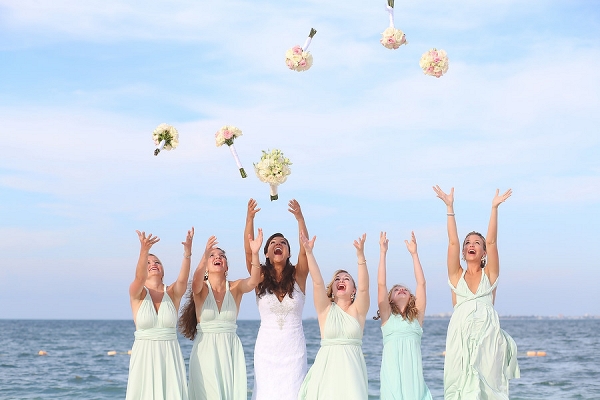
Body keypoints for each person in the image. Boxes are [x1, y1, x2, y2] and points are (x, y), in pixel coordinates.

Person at [433, 186, 520, 399]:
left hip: (487, 339)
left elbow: (492, 241)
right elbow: (452, 241)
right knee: (459, 388)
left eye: (477, 243)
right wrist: (449, 207)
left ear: (483, 253)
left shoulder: (490, 275)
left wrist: (494, 208)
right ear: (463, 252)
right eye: (468, 243)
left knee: (488, 390)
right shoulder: (456, 275)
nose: (471, 245)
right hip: (460, 339)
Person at [179, 230, 263, 400]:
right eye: (212, 255)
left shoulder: (236, 287)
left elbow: (255, 280)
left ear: (226, 266)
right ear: (206, 266)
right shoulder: (201, 289)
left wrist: (254, 253)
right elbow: (195, 282)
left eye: (222, 255)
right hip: (205, 350)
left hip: (230, 350)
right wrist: (204, 254)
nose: (218, 257)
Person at [244, 198, 310, 400]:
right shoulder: (259, 277)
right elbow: (248, 251)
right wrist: (250, 218)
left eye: (282, 243)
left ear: (288, 252)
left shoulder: (299, 276)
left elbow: (305, 249)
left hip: (294, 351)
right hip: (266, 351)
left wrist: (299, 218)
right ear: (265, 252)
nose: (278, 244)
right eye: (272, 243)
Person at [297, 232, 369, 400]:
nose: (341, 280)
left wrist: (360, 256)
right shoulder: (325, 309)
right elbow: (317, 282)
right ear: (333, 288)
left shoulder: (358, 310)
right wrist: (309, 252)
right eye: (337, 279)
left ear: (353, 291)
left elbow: (365, 288)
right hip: (327, 370)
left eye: (346, 279)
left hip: (353, 375)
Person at [126, 228, 194, 400]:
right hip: (144, 357)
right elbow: (139, 278)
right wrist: (144, 251)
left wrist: (187, 253)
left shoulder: (172, 293)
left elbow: (182, 280)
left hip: (169, 356)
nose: (153, 264)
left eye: (157, 262)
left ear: (163, 271)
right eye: (148, 263)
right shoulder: (137, 293)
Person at [375, 231, 433, 400]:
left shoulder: (417, 319)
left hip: (413, 380)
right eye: (396, 289)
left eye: (405, 289)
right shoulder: (387, 317)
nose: (401, 289)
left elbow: (421, 284)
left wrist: (414, 254)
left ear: (411, 297)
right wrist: (383, 252)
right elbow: (381, 284)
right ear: (390, 298)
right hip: (391, 378)